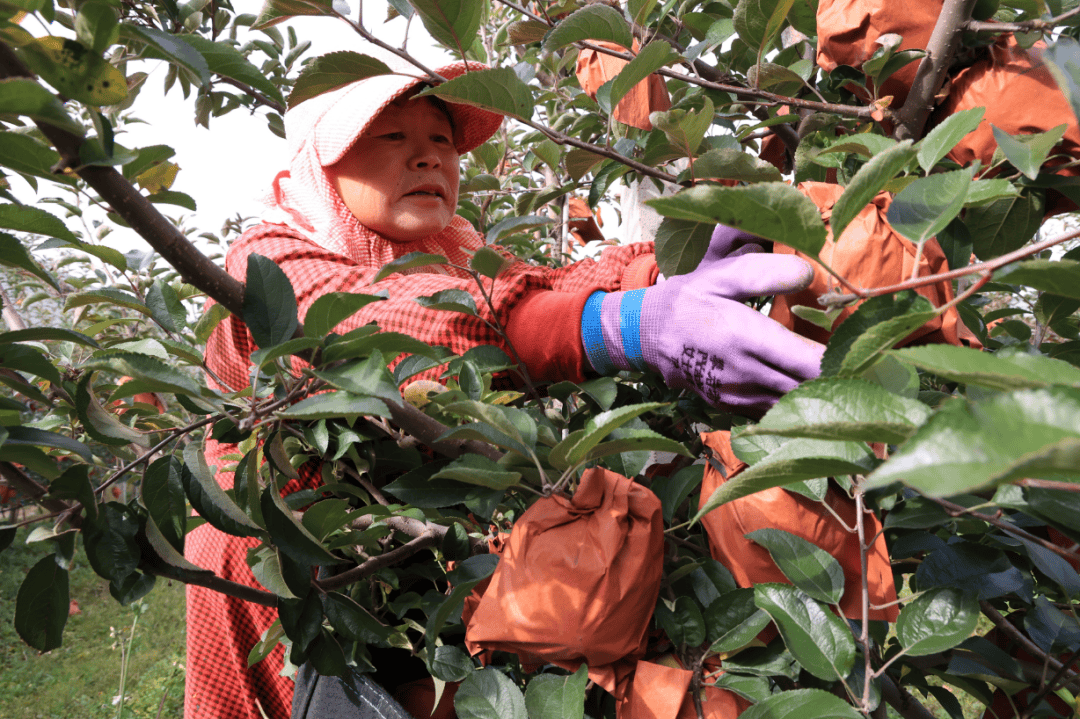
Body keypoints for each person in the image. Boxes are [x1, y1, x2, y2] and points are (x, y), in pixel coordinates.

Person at [185, 59, 824, 719]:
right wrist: (620, 325)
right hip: (286, 573)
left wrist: (668, 259)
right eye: (392, 138)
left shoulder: (453, 251)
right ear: (324, 168)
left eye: (440, 140)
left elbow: (548, 281)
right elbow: (363, 319)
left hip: (405, 569)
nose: (429, 157)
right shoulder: (266, 258)